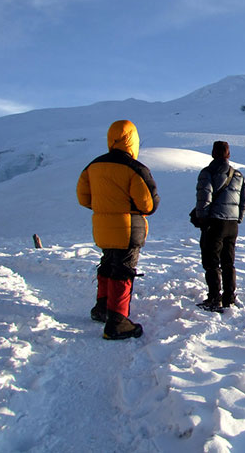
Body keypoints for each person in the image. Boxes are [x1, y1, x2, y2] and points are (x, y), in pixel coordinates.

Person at [77, 120, 160, 339]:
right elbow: (148, 204)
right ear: (133, 140)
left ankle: (102, 308)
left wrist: (105, 207)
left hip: (102, 227)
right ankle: (117, 321)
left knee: (107, 264)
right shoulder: (135, 169)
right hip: (128, 227)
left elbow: (83, 197)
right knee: (123, 270)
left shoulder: (93, 166)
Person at [195, 140, 245, 312]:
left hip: (214, 223)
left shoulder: (207, 173)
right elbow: (244, 201)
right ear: (228, 155)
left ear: (212, 153)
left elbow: (204, 198)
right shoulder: (239, 175)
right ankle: (229, 297)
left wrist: (203, 220)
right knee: (228, 262)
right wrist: (238, 218)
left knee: (211, 262)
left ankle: (214, 298)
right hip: (232, 225)